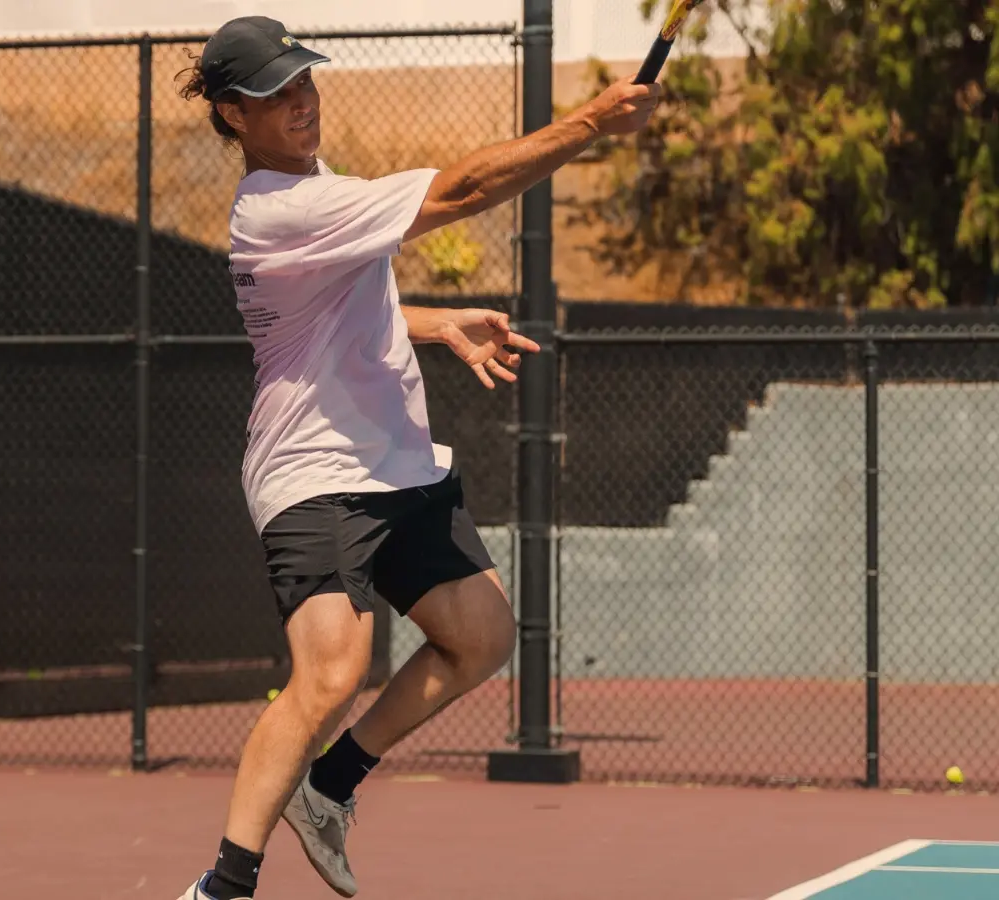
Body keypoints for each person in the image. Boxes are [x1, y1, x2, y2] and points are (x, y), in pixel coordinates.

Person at [172, 16, 661, 900]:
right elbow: (466, 189)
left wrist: (436, 323)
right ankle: (222, 885)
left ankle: (329, 788)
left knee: (481, 637)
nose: (300, 102)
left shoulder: (317, 187)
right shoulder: (282, 209)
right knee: (330, 673)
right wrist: (590, 122)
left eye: (304, 83)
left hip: (397, 467)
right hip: (315, 473)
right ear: (232, 118)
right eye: (274, 96)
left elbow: (342, 310)